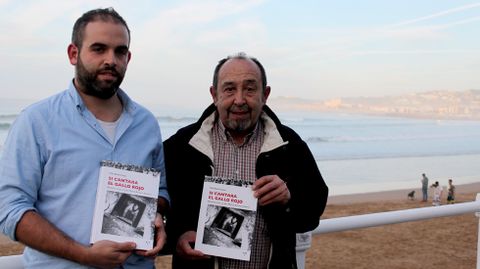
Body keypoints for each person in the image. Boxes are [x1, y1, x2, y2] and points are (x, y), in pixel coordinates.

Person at [0, 8, 169, 268]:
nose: (111, 60)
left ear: (128, 57)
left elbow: (159, 190)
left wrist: (156, 213)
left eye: (120, 51)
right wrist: (83, 254)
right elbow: (10, 209)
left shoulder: (146, 124)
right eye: (99, 49)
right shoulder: (36, 121)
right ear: (73, 53)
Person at [164, 52, 329, 269]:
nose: (239, 100)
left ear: (265, 94)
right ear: (214, 94)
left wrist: (289, 198)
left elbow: (313, 211)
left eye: (250, 89)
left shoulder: (289, 145)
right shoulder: (182, 145)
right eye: (229, 89)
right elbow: (157, 205)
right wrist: (177, 236)